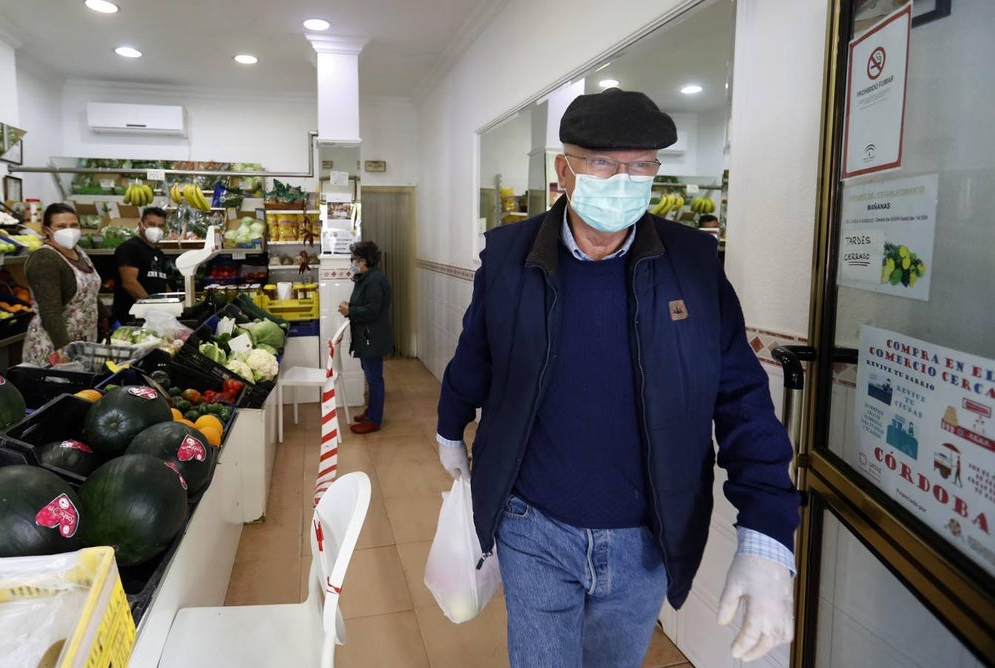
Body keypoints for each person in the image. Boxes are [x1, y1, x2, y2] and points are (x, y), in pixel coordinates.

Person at [435, 88, 798, 667]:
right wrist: (450, 426)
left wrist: (769, 534)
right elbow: (477, 352)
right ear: (565, 170)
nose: (624, 178)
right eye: (603, 162)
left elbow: (741, 400)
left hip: (645, 539)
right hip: (534, 525)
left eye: (641, 165)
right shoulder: (509, 256)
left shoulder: (695, 265)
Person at [22, 203, 108, 364]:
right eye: (61, 226)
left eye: (74, 225)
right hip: (54, 347)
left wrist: (109, 320)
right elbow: (50, 313)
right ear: (46, 230)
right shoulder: (44, 259)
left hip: (83, 342)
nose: (69, 230)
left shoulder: (79, 252)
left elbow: (89, 293)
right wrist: (66, 351)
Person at [338, 241, 392, 434]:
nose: (352, 263)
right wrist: (350, 307)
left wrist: (350, 310)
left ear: (363, 261)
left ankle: (374, 420)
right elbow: (367, 303)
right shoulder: (366, 277)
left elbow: (372, 310)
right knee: (371, 375)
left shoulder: (375, 279)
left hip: (373, 337)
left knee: (375, 378)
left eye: (353, 259)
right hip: (366, 336)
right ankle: (371, 412)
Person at [111, 206, 171, 325]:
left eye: (160, 226)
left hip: (153, 318)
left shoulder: (159, 254)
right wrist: (152, 309)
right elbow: (129, 283)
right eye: (151, 224)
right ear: (141, 224)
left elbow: (161, 282)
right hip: (132, 319)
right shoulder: (130, 248)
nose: (156, 229)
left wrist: (172, 303)